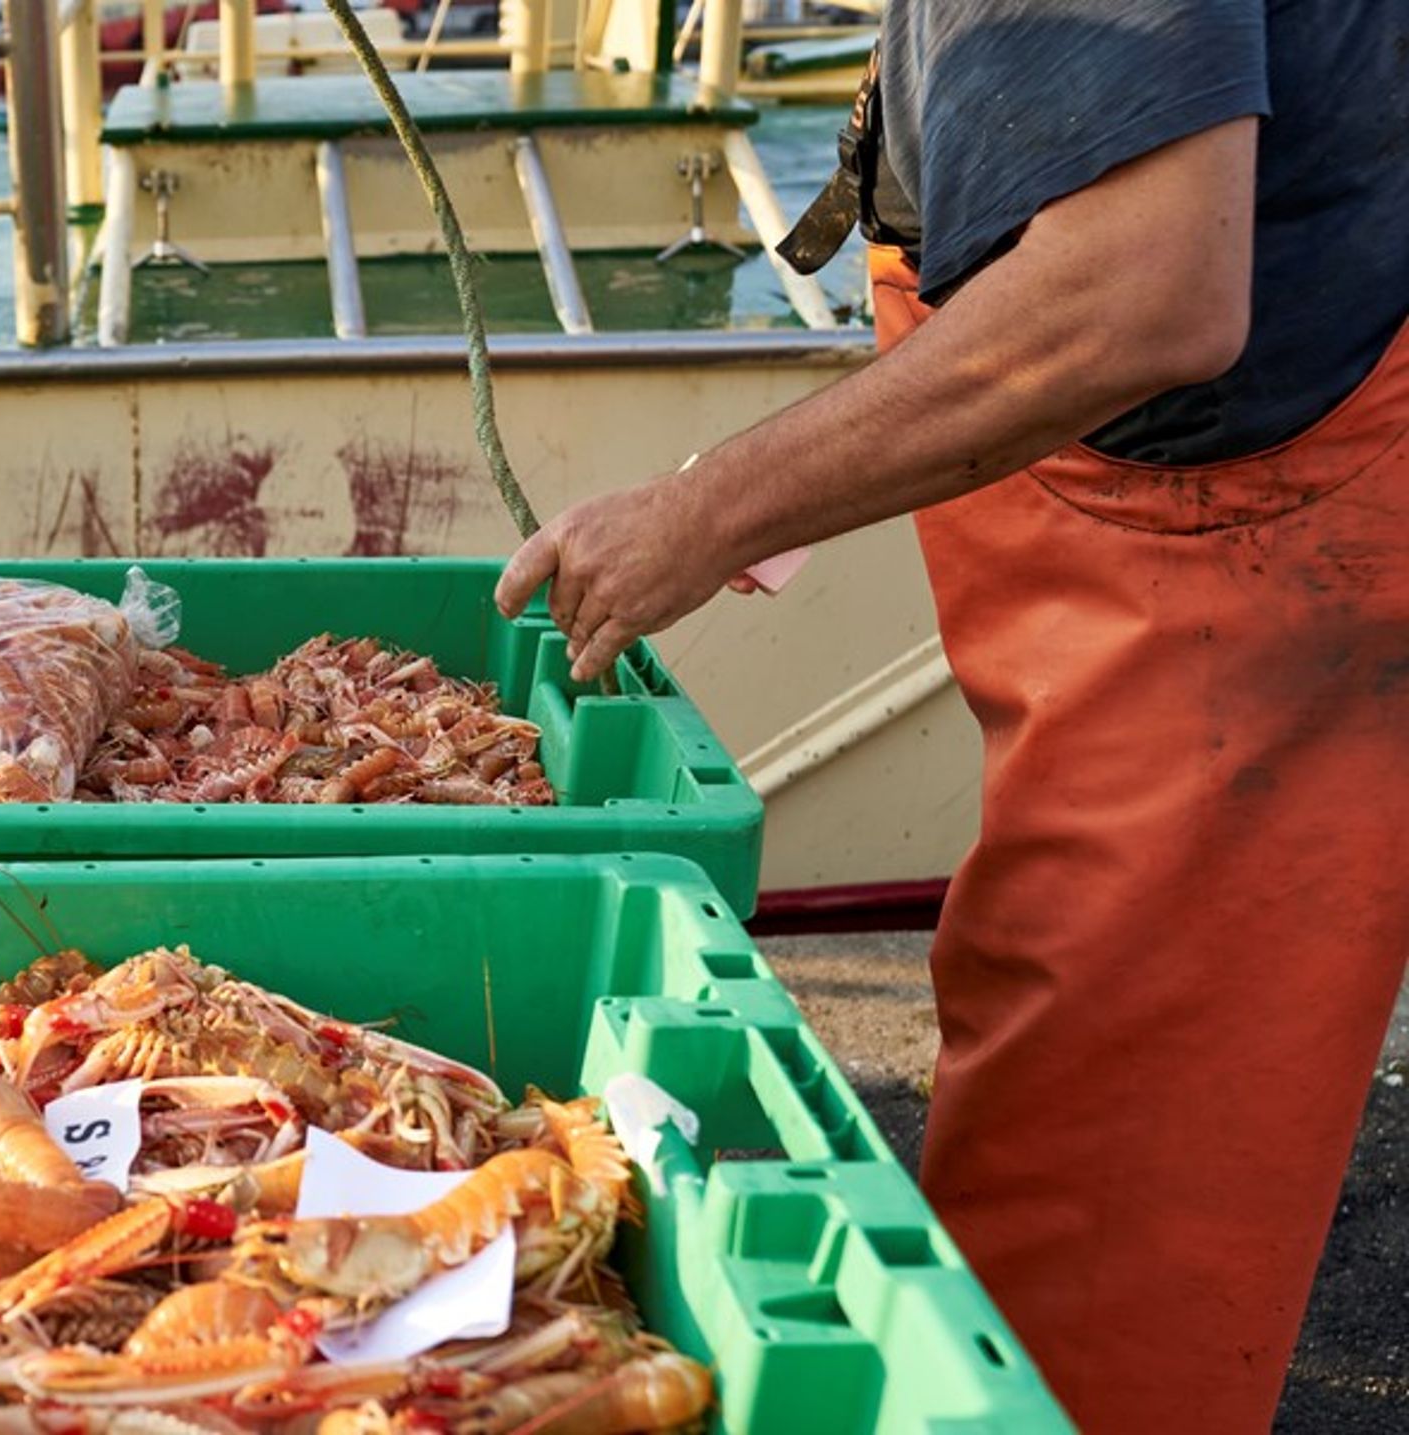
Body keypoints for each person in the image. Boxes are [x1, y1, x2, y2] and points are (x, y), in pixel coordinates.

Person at [498, 5, 1409, 1431]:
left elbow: (1141, 284)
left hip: (1245, 553)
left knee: (1106, 1209)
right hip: (1153, 520)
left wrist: (709, 510)